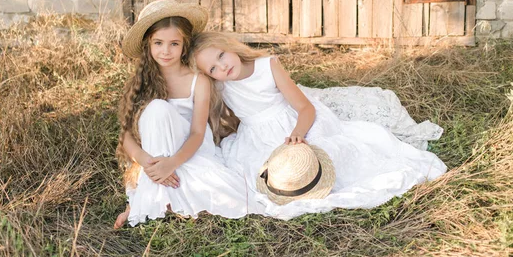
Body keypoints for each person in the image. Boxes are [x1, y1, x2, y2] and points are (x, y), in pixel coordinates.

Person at [190, 32, 448, 220]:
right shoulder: (221, 86)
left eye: (221, 55)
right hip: (256, 136)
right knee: (267, 175)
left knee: (325, 157)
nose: (223, 66)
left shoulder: (267, 66)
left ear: (230, 46)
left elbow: (305, 108)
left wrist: (298, 134)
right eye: (213, 68)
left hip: (295, 123)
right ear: (210, 76)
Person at [114, 0, 261, 228]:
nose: (166, 51)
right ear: (148, 45)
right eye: (158, 43)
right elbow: (126, 135)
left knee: (225, 193)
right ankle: (147, 196)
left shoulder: (197, 81)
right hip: (154, 153)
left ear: (184, 45)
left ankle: (145, 204)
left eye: (174, 43)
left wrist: (171, 163)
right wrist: (147, 163)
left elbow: (197, 132)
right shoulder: (141, 82)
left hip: (189, 149)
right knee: (156, 110)